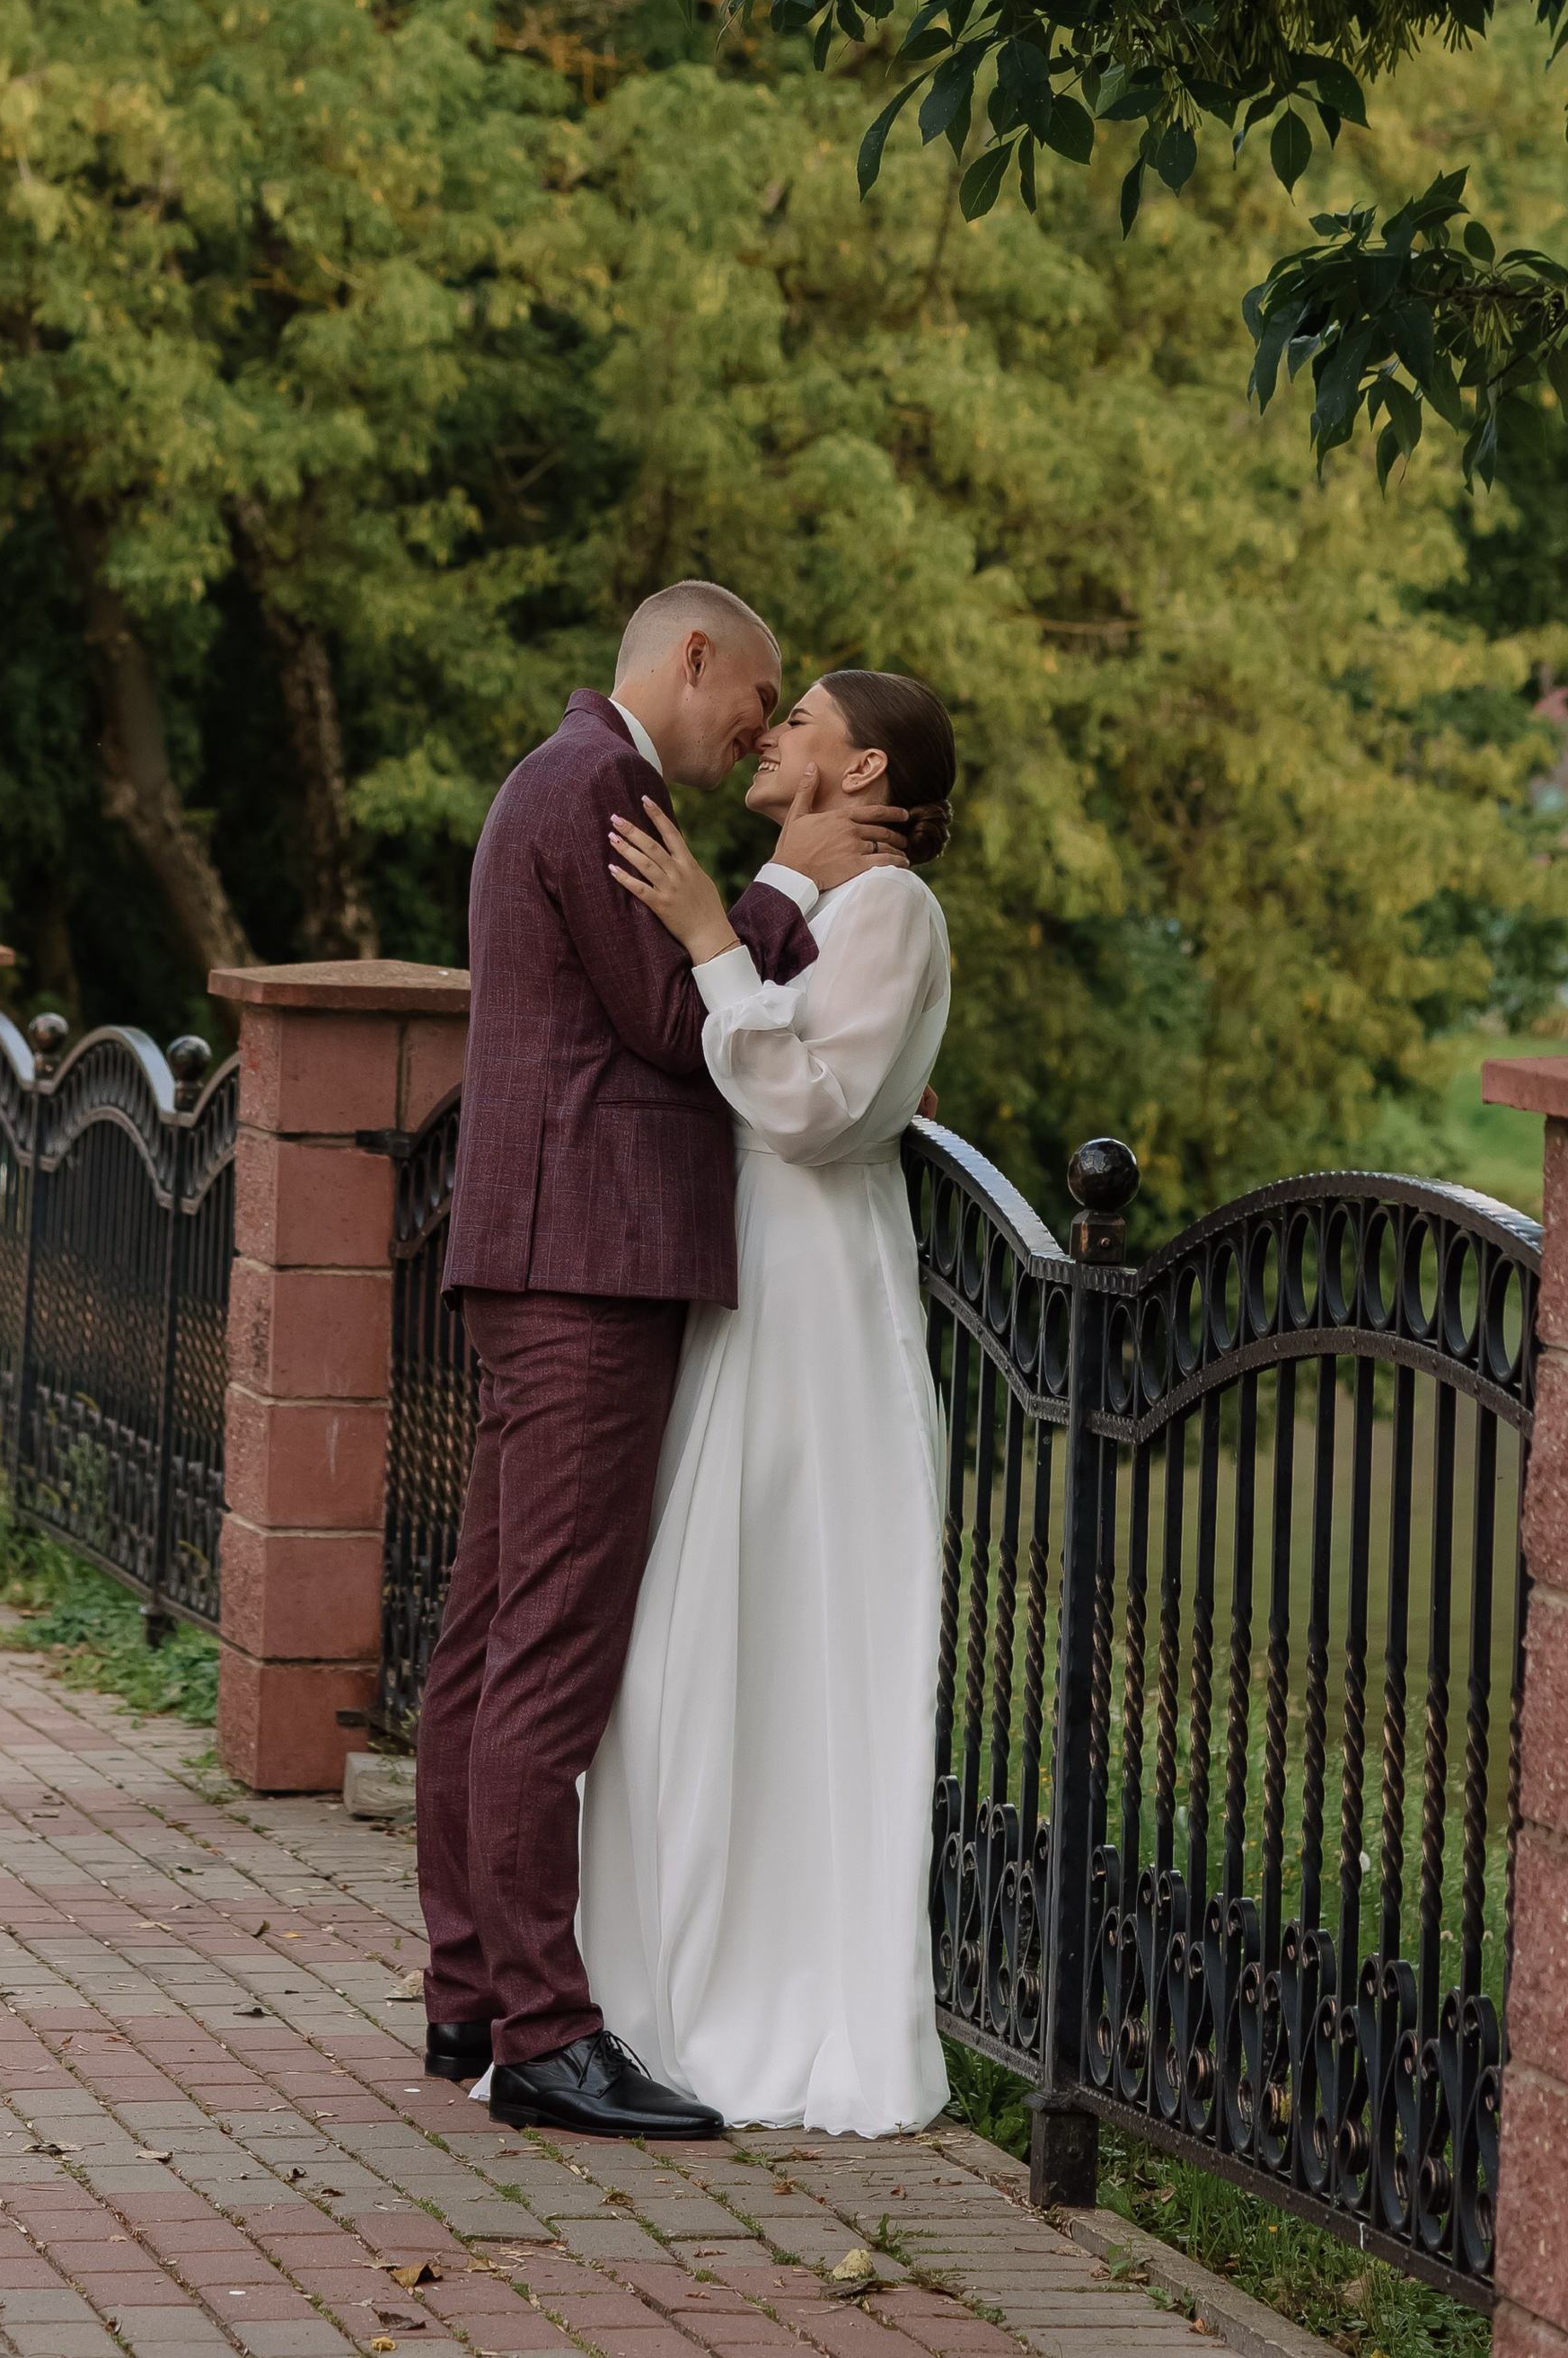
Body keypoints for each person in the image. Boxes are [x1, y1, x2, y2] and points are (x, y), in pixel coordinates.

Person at [415, 585, 912, 2142]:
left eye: (785, 729)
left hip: (547, 1255)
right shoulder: (599, 783)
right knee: (548, 1654)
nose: (757, 734)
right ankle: (551, 2036)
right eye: (754, 703)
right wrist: (774, 885)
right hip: (587, 1267)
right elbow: (661, 1019)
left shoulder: (556, 779)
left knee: (489, 1637)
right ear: (689, 658)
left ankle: (473, 1996)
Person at [578, 667, 957, 2134]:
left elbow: (816, 1110)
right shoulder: (789, 895)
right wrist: (723, 929)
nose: (769, 733)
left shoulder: (896, 915)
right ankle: (652, 1996)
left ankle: (792, 2006)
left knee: (797, 1645)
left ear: (863, 771)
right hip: (730, 1300)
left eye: (796, 717)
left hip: (819, 1314)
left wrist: (705, 945)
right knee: (685, 1653)